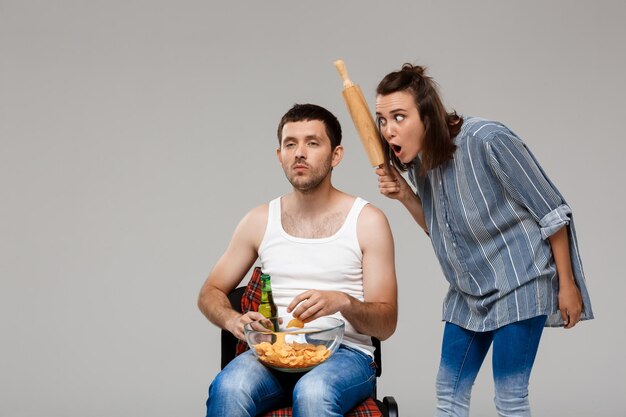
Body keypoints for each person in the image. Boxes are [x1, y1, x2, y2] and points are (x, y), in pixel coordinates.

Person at [373, 64, 593, 417]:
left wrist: (566, 285)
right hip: (469, 289)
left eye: (399, 117)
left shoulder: (487, 139)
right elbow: (439, 230)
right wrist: (405, 194)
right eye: (383, 120)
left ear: (427, 116)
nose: (388, 130)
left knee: (510, 397)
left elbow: (552, 211)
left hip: (520, 280)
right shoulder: (421, 162)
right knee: (448, 390)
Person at [198, 103, 398, 417]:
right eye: (290, 144)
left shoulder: (368, 221)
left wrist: (343, 302)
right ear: (280, 155)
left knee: (314, 392)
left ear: (336, 155)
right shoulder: (260, 219)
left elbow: (386, 324)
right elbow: (210, 291)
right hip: (274, 353)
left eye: (312, 143)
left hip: (347, 355)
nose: (299, 153)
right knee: (229, 387)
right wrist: (232, 320)